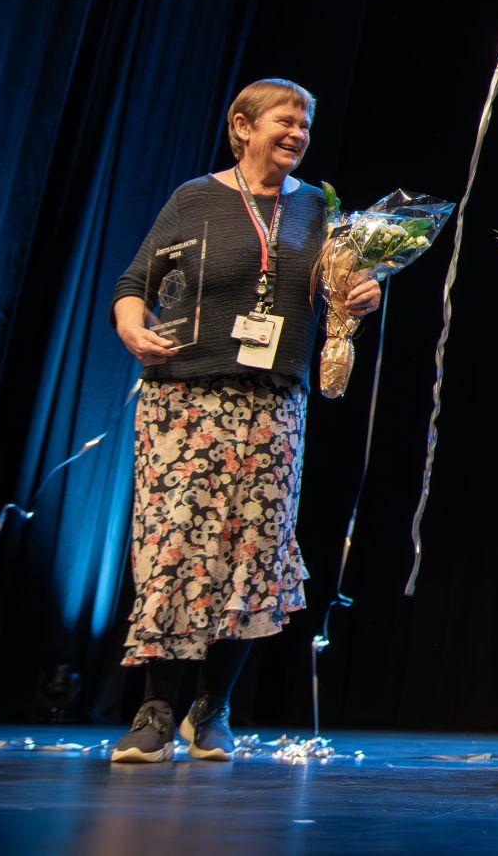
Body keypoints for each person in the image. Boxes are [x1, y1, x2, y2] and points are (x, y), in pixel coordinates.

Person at [108, 78, 381, 763]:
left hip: (273, 404)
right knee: (176, 548)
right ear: (242, 125)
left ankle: (213, 707)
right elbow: (133, 284)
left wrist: (360, 293)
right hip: (185, 400)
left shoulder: (317, 208)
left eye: (306, 126)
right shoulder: (195, 199)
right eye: (286, 122)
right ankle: (155, 707)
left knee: (251, 553)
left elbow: (334, 288)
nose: (297, 134)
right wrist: (134, 329)